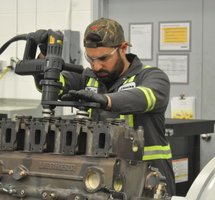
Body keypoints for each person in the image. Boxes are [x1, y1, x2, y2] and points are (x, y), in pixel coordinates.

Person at [35, 17, 175, 196]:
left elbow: (146, 97)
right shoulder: (88, 77)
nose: (96, 65)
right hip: (100, 179)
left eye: (103, 58)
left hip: (147, 180)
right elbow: (51, 87)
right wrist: (45, 58)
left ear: (123, 48)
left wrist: (105, 100)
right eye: (90, 59)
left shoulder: (151, 76)